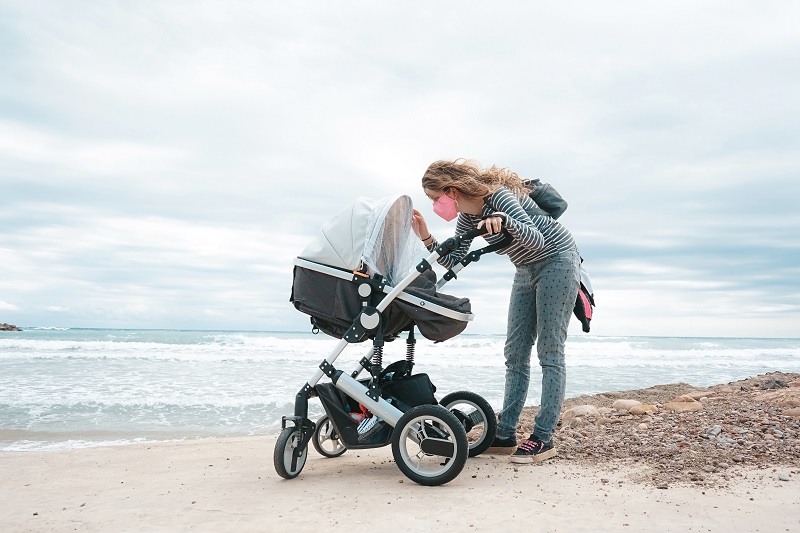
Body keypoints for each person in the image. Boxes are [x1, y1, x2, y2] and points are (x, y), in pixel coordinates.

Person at [411, 159, 581, 464]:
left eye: (436, 198)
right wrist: (425, 235)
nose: (436, 205)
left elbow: (537, 238)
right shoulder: (465, 217)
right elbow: (453, 261)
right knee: (515, 352)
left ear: (451, 190)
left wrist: (506, 221)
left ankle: (543, 438)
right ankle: (505, 434)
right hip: (525, 269)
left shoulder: (499, 197)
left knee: (549, 350)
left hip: (557, 260)